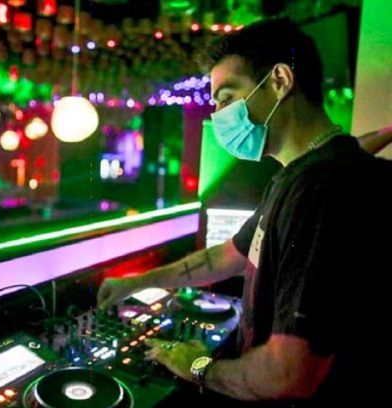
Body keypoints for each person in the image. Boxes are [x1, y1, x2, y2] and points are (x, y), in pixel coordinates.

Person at [97, 18, 391, 406]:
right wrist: (136, 282)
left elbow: (288, 374)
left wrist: (197, 367)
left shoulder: (319, 189)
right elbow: (229, 255)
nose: (218, 114)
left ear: (280, 81)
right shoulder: (298, 176)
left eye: (226, 97)